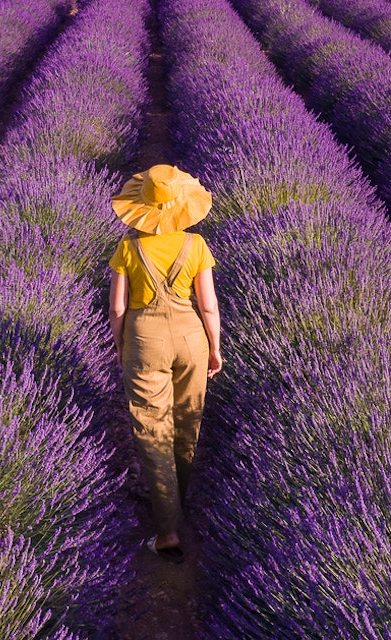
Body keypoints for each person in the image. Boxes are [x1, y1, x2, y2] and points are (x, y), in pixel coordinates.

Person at [106, 164, 222, 563]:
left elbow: (118, 307)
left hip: (145, 341)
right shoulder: (197, 245)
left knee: (152, 428)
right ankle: (177, 499)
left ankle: (167, 528)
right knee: (187, 422)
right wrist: (214, 346)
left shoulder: (127, 248)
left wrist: (120, 344)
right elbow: (208, 304)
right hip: (191, 338)